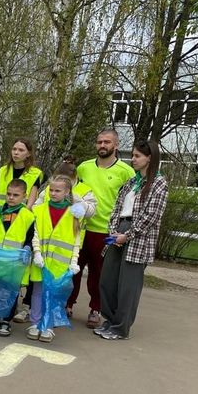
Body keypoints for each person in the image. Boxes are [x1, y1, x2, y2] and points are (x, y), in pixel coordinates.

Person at [97, 139, 168, 340]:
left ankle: (121, 328)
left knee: (128, 286)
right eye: (133, 155)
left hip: (138, 237)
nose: (133, 159)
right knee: (108, 280)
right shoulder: (131, 182)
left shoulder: (159, 183)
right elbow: (116, 208)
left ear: (150, 158)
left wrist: (127, 235)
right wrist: (114, 231)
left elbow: (152, 216)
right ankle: (109, 320)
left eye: (137, 156)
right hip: (119, 231)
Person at [68, 128, 135, 328]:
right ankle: (67, 304)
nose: (102, 146)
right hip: (79, 229)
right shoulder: (84, 167)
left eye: (107, 142)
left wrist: (121, 229)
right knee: (73, 269)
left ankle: (96, 309)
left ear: (116, 145)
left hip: (105, 231)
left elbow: (130, 201)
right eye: (99, 142)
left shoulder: (125, 171)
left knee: (99, 274)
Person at [15, 159, 95, 323]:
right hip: (42, 252)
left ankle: (49, 322)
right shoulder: (48, 191)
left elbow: (89, 212)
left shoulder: (83, 191)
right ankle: (35, 319)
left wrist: (77, 200)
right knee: (37, 288)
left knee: (56, 291)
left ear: (73, 179)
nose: (53, 192)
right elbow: (37, 209)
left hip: (62, 255)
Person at [27, 174, 82, 343]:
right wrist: (36, 253)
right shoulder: (39, 209)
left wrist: (74, 261)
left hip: (60, 264)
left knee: (54, 295)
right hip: (41, 260)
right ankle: (35, 323)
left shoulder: (74, 214)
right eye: (51, 189)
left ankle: (48, 325)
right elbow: (35, 234)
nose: (53, 193)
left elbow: (76, 240)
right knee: (37, 292)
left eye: (58, 190)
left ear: (67, 192)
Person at [0, 179, 35, 336]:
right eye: (8, 194)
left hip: (14, 262)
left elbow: (31, 237)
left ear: (24, 196)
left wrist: (28, 248)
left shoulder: (28, 216)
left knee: (10, 292)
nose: (11, 197)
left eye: (15, 195)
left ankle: (6, 320)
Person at [0, 138, 42, 209]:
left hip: (21, 216)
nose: (16, 152)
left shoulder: (34, 173)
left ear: (28, 154)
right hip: (0, 215)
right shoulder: (3, 170)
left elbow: (30, 204)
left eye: (21, 150)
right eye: (14, 149)